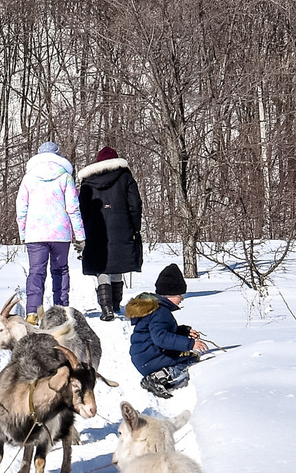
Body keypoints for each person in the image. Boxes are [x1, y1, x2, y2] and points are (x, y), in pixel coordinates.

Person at [75, 145, 143, 319]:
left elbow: (82, 207)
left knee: (101, 264)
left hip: (96, 226)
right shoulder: (125, 176)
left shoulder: (88, 180)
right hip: (122, 224)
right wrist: (134, 226)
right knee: (117, 262)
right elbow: (135, 204)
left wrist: (83, 228)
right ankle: (115, 303)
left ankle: (106, 308)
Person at [15, 141, 80, 314]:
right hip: (61, 233)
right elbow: (73, 208)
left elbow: (21, 209)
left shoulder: (28, 178)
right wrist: (80, 235)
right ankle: (61, 311)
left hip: (35, 234)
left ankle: (32, 313)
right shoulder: (65, 177)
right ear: (58, 156)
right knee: (60, 271)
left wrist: (23, 233)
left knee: (36, 272)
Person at [125, 264, 206, 398]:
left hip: (144, 357)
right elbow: (161, 338)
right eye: (180, 294)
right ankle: (158, 377)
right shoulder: (161, 312)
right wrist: (190, 344)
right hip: (151, 358)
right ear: (170, 294)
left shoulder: (155, 308)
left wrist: (184, 331)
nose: (182, 298)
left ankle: (160, 376)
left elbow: (161, 332)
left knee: (187, 357)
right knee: (190, 360)